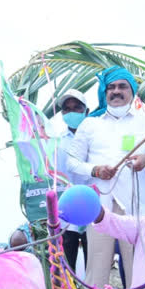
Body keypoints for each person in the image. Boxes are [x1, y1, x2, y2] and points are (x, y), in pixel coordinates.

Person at [67, 66, 145, 288]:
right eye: (111, 87)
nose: (116, 91)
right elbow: (71, 163)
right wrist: (95, 170)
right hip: (100, 207)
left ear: (132, 90)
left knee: (139, 272)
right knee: (97, 270)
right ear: (104, 92)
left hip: (137, 208)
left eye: (122, 86)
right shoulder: (90, 124)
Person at [56, 89, 90, 270]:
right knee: (67, 258)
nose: (71, 112)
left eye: (77, 108)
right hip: (66, 207)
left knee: (92, 256)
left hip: (92, 204)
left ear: (87, 111)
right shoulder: (57, 142)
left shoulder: (95, 137)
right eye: (67, 109)